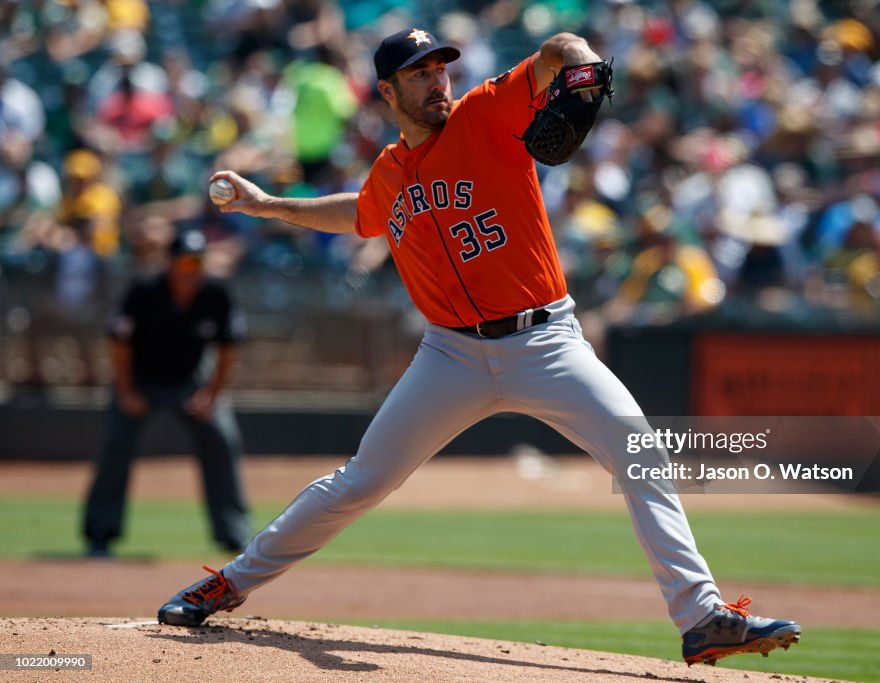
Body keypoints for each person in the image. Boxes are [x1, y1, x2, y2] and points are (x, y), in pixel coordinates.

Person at [157, 28, 801, 666]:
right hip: (450, 357)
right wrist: (269, 204)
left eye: (441, 68)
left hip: (545, 339)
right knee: (359, 482)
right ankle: (230, 582)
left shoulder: (486, 114)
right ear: (387, 90)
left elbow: (561, 48)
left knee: (642, 454)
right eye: (418, 73)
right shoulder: (389, 171)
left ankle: (701, 617)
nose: (437, 80)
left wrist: (579, 72)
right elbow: (359, 213)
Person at [83, 229, 250, 557]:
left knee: (221, 437)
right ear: (170, 262)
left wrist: (211, 396)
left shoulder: (216, 293)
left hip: (191, 379)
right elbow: (119, 347)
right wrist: (127, 392)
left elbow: (228, 351)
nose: (191, 270)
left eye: (198, 262)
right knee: (116, 443)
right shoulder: (143, 290)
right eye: (185, 261)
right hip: (141, 377)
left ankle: (233, 534)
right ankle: (100, 533)